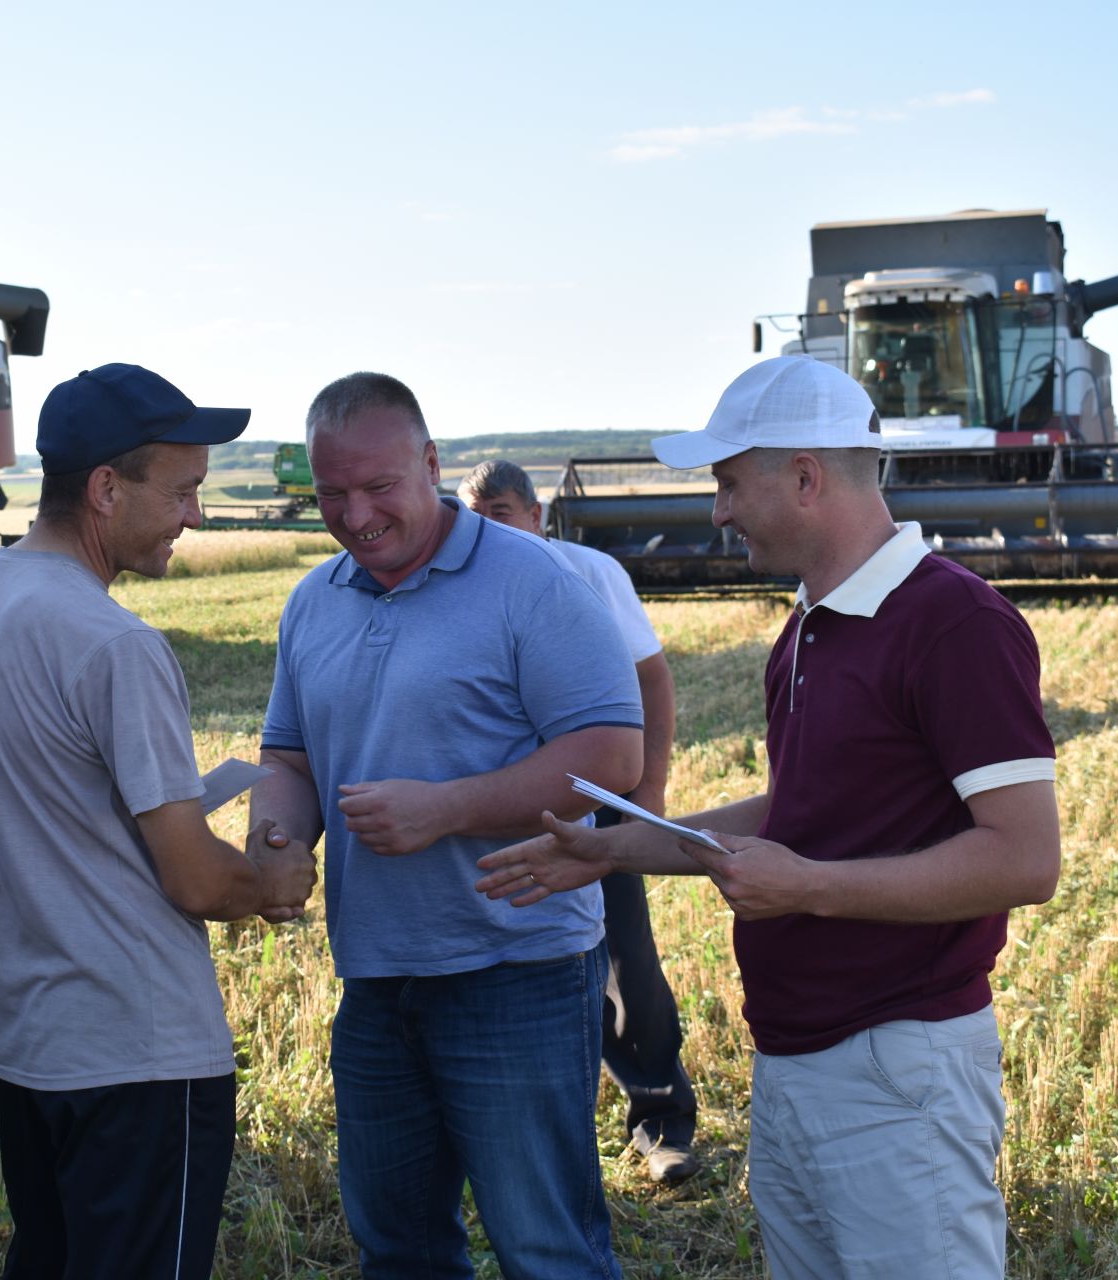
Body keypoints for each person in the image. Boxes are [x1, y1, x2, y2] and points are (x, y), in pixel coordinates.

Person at [478, 355, 1061, 1279]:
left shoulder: (955, 622)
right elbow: (804, 803)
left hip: (895, 1071)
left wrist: (812, 888)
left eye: (726, 482)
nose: (717, 510)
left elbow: (1026, 859)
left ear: (804, 478)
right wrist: (610, 848)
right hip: (796, 1057)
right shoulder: (808, 624)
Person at [0, 364, 316, 1280]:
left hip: (26, 1047)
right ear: (106, 491)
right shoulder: (116, 644)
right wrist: (272, 884)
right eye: (184, 491)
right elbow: (194, 879)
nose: (194, 515)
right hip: (140, 1050)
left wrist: (43, 843)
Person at [250, 373, 643, 1279]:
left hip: (518, 972)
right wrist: (277, 839)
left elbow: (610, 758)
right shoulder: (314, 600)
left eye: (379, 487)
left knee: (546, 1249)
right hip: (378, 978)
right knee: (398, 1249)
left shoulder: (529, 579)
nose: (356, 514)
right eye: (331, 495)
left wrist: (447, 808)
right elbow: (291, 761)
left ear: (432, 463)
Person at [456, 459, 700, 1185]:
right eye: (473, 514)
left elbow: (651, 675)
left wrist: (647, 793)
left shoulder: (586, 572)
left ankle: (660, 1123)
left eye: (499, 511)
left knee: (627, 966)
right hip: (494, 814)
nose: (485, 528)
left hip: (589, 809)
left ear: (536, 515)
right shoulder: (454, 585)